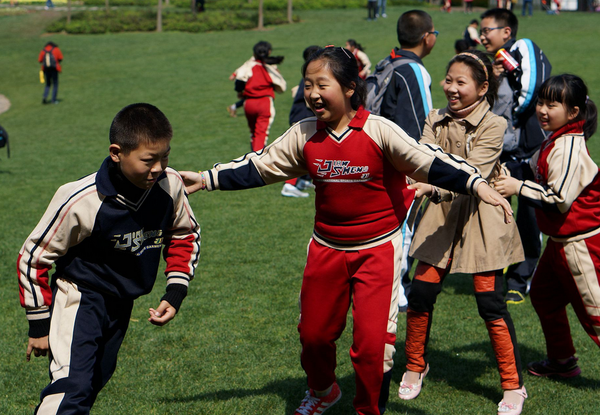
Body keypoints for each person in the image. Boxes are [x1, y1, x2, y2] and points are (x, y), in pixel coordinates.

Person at [179, 46, 513, 415]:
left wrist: (477, 184)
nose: (313, 94)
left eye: (322, 85)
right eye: (308, 85)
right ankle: (322, 390)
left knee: (373, 347)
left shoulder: (379, 130)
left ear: (351, 88)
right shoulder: (305, 133)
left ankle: (368, 409)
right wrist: (207, 178)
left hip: (378, 252)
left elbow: (429, 161)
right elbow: (261, 165)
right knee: (314, 337)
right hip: (326, 249)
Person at [18, 103, 201, 413]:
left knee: (93, 382)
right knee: (70, 389)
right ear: (117, 152)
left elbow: (184, 233)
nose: (158, 168)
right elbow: (33, 256)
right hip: (79, 297)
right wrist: (39, 324)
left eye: (165, 156)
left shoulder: (169, 186)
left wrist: (176, 289)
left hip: (121, 302)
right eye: (148, 160)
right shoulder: (82, 198)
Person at [399, 50, 527, 415]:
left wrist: (429, 186)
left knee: (490, 302)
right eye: (448, 80)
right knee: (421, 292)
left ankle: (513, 384)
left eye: (461, 82)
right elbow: (421, 159)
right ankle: (415, 365)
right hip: (439, 219)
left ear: (483, 87)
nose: (451, 89)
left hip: (482, 219)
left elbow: (472, 173)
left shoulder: (495, 125)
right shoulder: (434, 118)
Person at [496, 74, 599, 379]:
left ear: (573, 113)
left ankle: (562, 360)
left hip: (580, 246)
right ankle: (563, 361)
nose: (542, 109)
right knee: (543, 296)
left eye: (551, 104)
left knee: (595, 315)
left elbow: (558, 201)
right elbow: (530, 169)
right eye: (541, 102)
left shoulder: (569, 146)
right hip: (558, 243)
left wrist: (517, 187)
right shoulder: (555, 138)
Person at [480, 8, 552, 304]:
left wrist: (511, 120)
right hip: (503, 151)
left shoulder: (522, 48)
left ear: (506, 32)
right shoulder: (493, 63)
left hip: (531, 149)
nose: (482, 35)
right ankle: (495, 271)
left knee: (529, 213)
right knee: (496, 211)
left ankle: (522, 277)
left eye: (488, 30)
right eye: (481, 31)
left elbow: (532, 88)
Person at [378, 9, 437, 310]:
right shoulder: (413, 70)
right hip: (400, 160)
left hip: (377, 154)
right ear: (427, 38)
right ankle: (397, 289)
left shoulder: (388, 62)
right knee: (403, 227)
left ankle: (389, 282)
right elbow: (424, 122)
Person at [282, 44, 320, 198]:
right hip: (301, 118)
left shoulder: (308, 74)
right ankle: (289, 185)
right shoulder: (310, 76)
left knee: (309, 151)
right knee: (298, 153)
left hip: (302, 116)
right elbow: (308, 101)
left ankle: (302, 180)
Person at [233, 41, 286, 152]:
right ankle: (257, 160)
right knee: (261, 134)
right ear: (269, 52)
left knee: (253, 133)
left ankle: (253, 155)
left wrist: (239, 91)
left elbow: (239, 80)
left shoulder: (249, 65)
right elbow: (282, 86)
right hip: (264, 102)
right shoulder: (270, 67)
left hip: (248, 104)